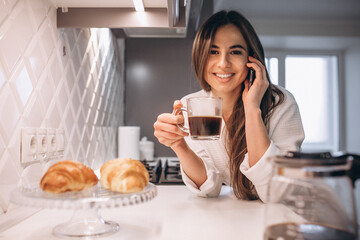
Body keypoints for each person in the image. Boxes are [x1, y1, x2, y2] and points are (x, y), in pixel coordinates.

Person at [153, 10, 304, 201]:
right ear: (200, 56)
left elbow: (276, 192)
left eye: (235, 51)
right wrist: (179, 145)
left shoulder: (281, 104)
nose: (223, 63)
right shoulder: (191, 105)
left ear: (252, 59)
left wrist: (252, 109)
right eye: (213, 52)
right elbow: (210, 188)